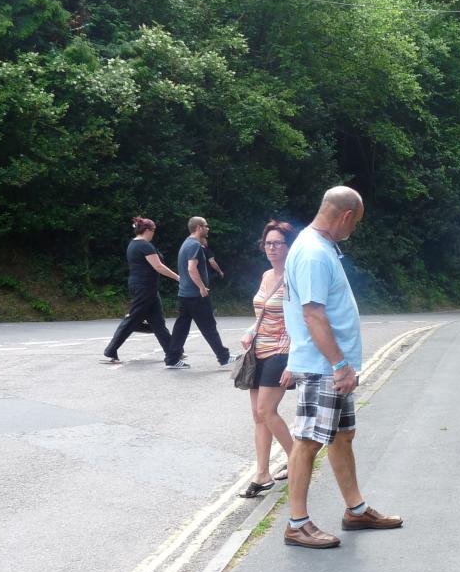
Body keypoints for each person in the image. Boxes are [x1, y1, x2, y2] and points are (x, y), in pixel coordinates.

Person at [281, 186, 402, 549]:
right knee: (307, 441)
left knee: (340, 435)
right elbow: (312, 314)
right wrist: (339, 364)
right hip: (324, 367)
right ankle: (297, 523)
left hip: (333, 366)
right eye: (356, 223)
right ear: (346, 215)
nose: (354, 229)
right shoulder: (314, 254)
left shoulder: (318, 247)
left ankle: (355, 509)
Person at [238, 220, 297, 498]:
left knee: (266, 411)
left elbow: (302, 321)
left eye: (277, 244)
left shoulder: (295, 278)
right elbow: (261, 314)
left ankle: (298, 459)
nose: (271, 248)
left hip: (282, 350)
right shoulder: (265, 276)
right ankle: (262, 474)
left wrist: (294, 361)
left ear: (288, 247)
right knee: (258, 416)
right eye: (268, 243)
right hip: (258, 350)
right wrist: (250, 332)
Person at [102, 216, 180, 364]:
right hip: (144, 288)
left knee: (157, 321)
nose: (154, 233)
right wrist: (178, 277)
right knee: (133, 318)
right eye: (153, 230)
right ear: (148, 230)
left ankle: (172, 351)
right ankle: (110, 349)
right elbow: (158, 266)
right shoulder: (144, 245)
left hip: (144, 286)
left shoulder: (133, 244)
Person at [163, 216, 232, 369]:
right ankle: (224, 357)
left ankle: (172, 359)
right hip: (195, 295)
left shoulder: (186, 243)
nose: (208, 229)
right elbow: (191, 268)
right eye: (206, 226)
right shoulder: (194, 245)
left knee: (181, 328)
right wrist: (201, 287)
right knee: (209, 326)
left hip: (184, 294)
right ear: (199, 227)